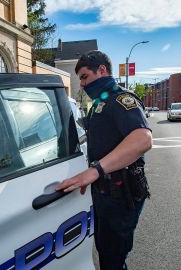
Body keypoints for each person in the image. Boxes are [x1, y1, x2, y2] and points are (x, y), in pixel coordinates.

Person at [56, 50, 152, 270]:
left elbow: (142, 139)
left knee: (112, 257)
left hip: (122, 192)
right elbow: (101, 136)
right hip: (105, 191)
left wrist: (95, 171)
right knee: (105, 249)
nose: (82, 85)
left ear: (102, 70)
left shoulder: (121, 99)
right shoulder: (100, 103)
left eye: (84, 77)